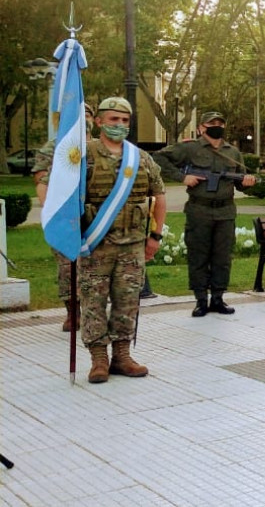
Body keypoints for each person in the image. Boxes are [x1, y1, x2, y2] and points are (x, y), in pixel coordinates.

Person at [78, 97, 167, 383]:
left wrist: (155, 235)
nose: (119, 125)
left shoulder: (140, 157)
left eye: (124, 120)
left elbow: (159, 197)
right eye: (113, 119)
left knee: (127, 302)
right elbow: (66, 198)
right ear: (100, 121)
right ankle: (98, 359)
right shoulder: (84, 155)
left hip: (132, 245)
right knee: (93, 301)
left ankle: (122, 356)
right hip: (95, 244)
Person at [154, 111, 257, 317]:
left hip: (225, 211)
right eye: (212, 123)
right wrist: (182, 176)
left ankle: (218, 298)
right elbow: (158, 158)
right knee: (198, 255)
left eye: (220, 123)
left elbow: (238, 183)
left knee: (222, 257)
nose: (216, 126)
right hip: (199, 210)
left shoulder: (233, 152)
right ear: (201, 127)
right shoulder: (190, 148)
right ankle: (201, 300)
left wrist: (247, 183)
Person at [34, 102, 95, 332]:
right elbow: (41, 180)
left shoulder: (101, 147)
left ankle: (94, 310)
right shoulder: (55, 147)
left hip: (96, 217)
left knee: (96, 265)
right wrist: (54, 213)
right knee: (67, 266)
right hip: (67, 217)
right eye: (79, 114)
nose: (84, 118)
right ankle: (72, 312)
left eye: (88, 114)